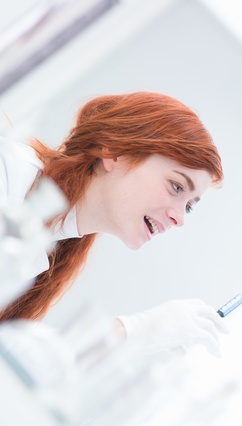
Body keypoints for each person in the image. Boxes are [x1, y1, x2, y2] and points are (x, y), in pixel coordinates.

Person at [0, 91, 228, 357]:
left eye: (189, 206)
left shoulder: (60, 244)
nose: (180, 218)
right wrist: (131, 331)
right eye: (176, 186)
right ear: (114, 152)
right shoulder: (9, 174)